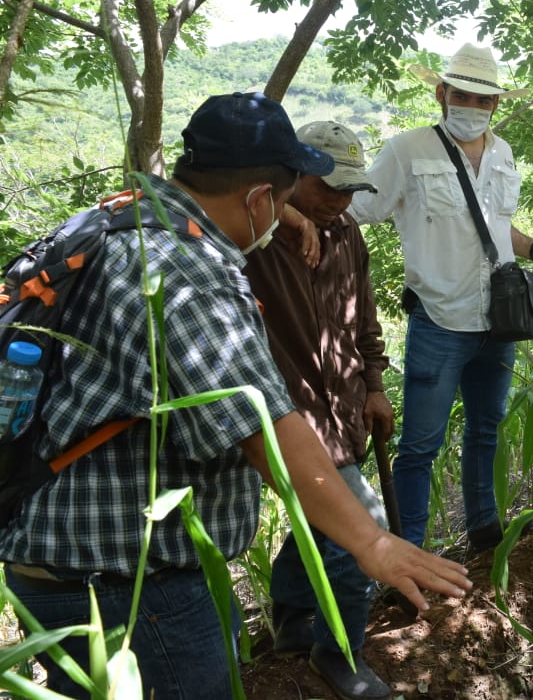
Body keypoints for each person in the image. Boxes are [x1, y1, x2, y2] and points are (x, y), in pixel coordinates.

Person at [0, 93, 471, 699]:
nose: (284, 215)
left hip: (54, 549)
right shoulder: (188, 268)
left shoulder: (116, 223)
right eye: (280, 200)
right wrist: (373, 541)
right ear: (257, 198)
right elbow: (261, 423)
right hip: (128, 580)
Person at [348, 43, 533, 551]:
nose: (469, 106)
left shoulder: (503, 152)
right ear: (440, 92)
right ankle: (410, 548)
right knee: (420, 445)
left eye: (480, 98)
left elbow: (495, 227)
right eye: (460, 94)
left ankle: (484, 532)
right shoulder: (407, 150)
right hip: (439, 319)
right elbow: (354, 210)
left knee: (486, 430)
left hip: (497, 321)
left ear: (495, 104)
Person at [242, 121, 395, 700]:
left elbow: (363, 317)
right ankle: (341, 655)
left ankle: (290, 619)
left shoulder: (347, 232)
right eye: (327, 188)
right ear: (291, 177)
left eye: (350, 190)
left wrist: (374, 384)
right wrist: (283, 213)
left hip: (344, 408)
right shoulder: (252, 238)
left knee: (320, 520)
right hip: (288, 418)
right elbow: (172, 195)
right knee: (363, 529)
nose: (339, 201)